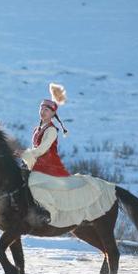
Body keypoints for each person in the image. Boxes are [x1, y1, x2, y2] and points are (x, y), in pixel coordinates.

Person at [14, 83, 117, 228]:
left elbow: (42, 149)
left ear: (52, 114)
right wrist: (24, 155)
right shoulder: (37, 129)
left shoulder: (52, 130)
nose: (43, 112)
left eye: (47, 110)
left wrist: (25, 153)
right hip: (37, 164)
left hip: (49, 166)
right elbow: (35, 149)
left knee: (34, 184)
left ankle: (48, 213)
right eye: (41, 108)